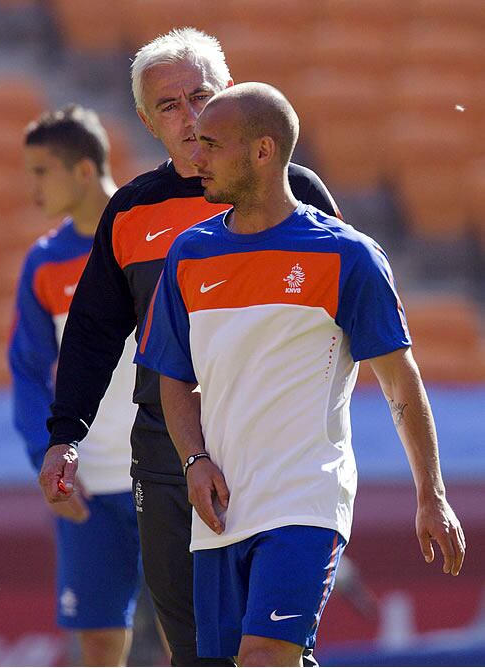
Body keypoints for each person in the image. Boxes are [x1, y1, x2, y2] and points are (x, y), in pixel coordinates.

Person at [134, 82, 466, 667]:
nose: (196, 157)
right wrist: (194, 459)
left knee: (265, 656)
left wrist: (431, 494)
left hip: (304, 500)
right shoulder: (188, 254)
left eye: (211, 143)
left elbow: (398, 381)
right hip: (219, 507)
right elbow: (173, 376)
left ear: (263, 152)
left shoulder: (347, 255)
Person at [38, 28, 342, 667]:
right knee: (199, 653)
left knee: (274, 651)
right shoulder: (129, 212)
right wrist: (65, 435)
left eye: (201, 95)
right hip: (166, 457)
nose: (191, 116)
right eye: (169, 106)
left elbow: (346, 323)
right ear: (147, 121)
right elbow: (92, 335)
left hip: (275, 453)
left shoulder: (296, 192)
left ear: (229, 94)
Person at [9, 106, 141, 667]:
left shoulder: (155, 239)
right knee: (101, 644)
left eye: (41, 172)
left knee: (199, 639)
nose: (31, 187)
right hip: (90, 486)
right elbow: (28, 371)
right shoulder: (43, 262)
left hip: (173, 473)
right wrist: (48, 458)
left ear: (83, 171)